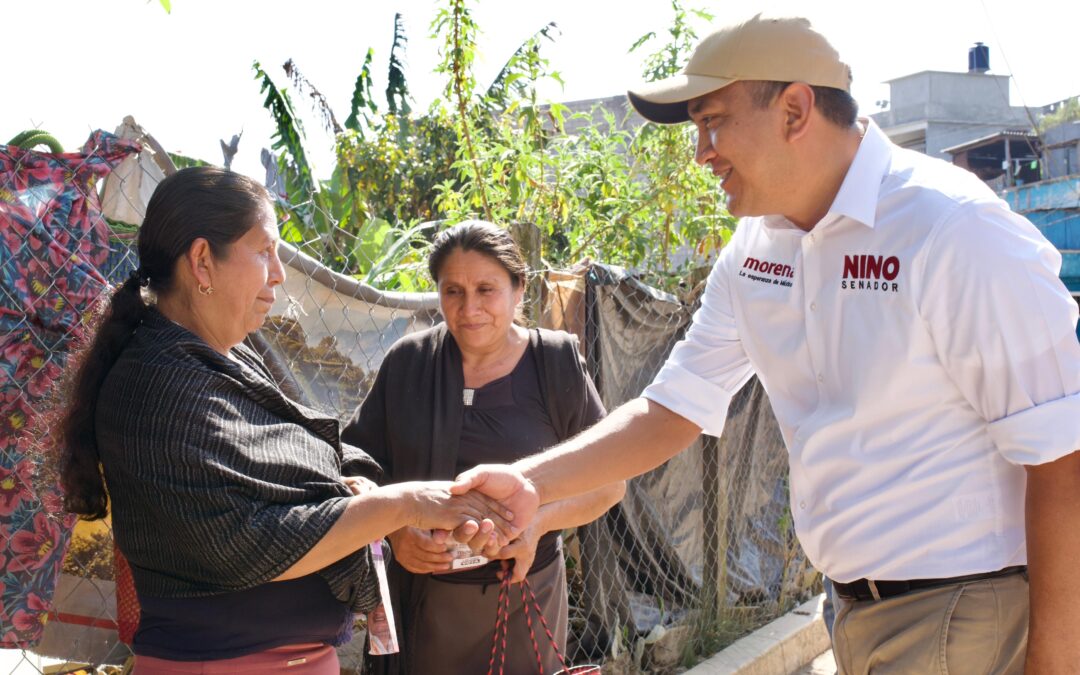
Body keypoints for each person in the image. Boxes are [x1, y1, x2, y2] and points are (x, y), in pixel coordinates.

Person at [452, 14, 1080, 674]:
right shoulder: (759, 247)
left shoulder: (952, 229)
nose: (701, 151)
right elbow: (674, 407)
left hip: (966, 612)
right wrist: (529, 482)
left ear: (795, 109)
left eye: (713, 120)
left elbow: (1062, 453)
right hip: (852, 614)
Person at [55, 167, 517, 673]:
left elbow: (313, 451)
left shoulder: (230, 356)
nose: (278, 272)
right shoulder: (154, 387)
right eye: (263, 251)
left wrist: (383, 501)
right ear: (203, 261)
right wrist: (399, 506)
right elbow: (243, 540)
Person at [342, 220, 625, 674]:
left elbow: (610, 483)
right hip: (422, 602)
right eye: (453, 291)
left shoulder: (555, 365)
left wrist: (536, 525)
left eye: (486, 289)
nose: (469, 308)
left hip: (524, 595)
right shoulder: (408, 365)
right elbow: (357, 470)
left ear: (518, 288)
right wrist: (394, 532)